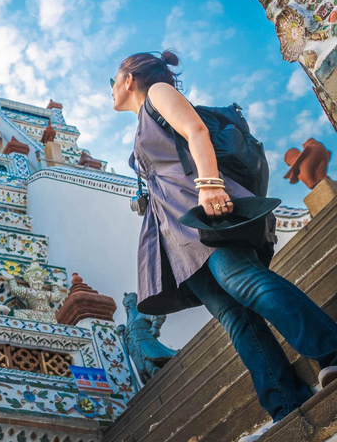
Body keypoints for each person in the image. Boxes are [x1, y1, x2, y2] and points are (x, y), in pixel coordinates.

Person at [111, 50, 337, 442]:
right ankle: (284, 402)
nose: (111, 89)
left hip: (202, 211)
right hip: (178, 239)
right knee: (235, 318)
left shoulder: (158, 94)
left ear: (129, 78)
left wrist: (211, 184)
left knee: (247, 282)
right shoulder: (139, 127)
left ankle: (330, 350)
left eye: (113, 80)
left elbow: (195, 130)